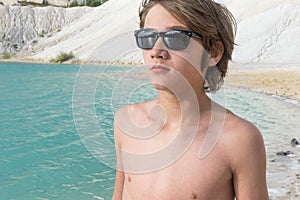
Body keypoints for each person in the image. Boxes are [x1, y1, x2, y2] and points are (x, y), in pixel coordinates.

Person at [113, 0, 269, 199]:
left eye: (176, 38)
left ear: (213, 52)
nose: (156, 51)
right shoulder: (126, 121)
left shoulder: (239, 139)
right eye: (147, 37)